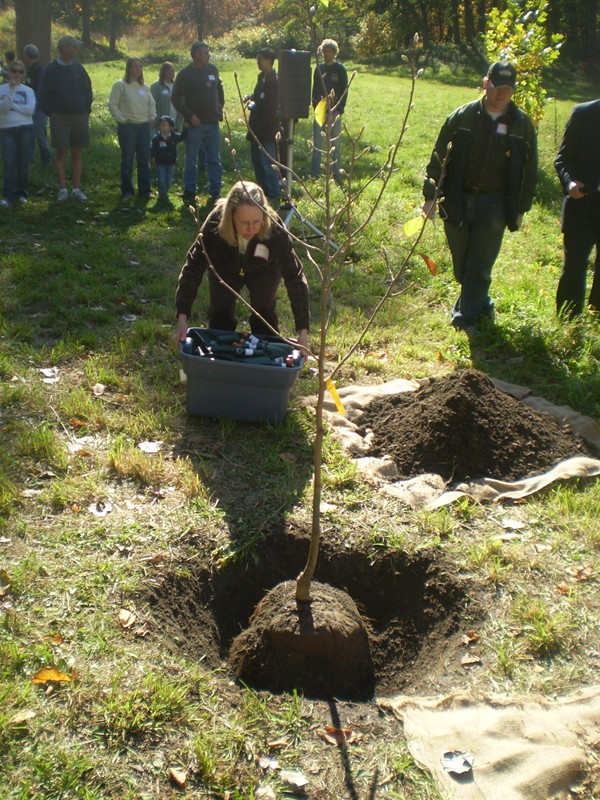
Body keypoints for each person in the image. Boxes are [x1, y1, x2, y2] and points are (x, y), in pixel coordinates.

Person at [422, 61, 538, 332]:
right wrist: (430, 196)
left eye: (509, 90)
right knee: (462, 265)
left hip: (494, 204)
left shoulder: (521, 124)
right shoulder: (463, 117)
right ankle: (482, 301)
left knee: (481, 264)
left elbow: (529, 170)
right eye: (498, 88)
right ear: (486, 83)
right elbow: (438, 159)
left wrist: (522, 207)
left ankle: (464, 318)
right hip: (456, 199)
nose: (502, 95)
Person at [175, 181, 310, 353]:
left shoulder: (275, 230)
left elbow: (295, 278)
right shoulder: (215, 224)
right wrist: (182, 318)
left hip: (264, 268)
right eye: (244, 222)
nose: (251, 228)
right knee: (220, 310)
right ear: (230, 217)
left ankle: (265, 357)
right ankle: (220, 356)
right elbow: (193, 268)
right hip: (225, 265)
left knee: (264, 308)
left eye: (256, 222)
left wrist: (303, 332)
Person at [554, 99, 600, 317]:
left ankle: (597, 312)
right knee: (574, 264)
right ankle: (568, 320)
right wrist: (569, 183)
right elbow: (562, 159)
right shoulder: (583, 113)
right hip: (582, 203)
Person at [37, 35, 93, 201]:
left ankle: (76, 189)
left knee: (77, 153)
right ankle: (62, 189)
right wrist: (52, 113)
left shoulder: (79, 69)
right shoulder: (51, 70)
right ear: (66, 48)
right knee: (61, 153)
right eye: (74, 47)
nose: (77, 50)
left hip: (79, 116)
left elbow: (88, 90)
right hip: (59, 117)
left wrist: (85, 109)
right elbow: (42, 95)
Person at [172, 41, 224, 204]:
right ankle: (189, 190)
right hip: (195, 124)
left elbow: (219, 87)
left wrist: (220, 104)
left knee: (214, 158)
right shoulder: (185, 74)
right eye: (205, 53)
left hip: (212, 122)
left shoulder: (213, 69)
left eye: (209, 52)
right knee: (191, 158)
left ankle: (215, 190)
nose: (209, 55)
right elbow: (175, 98)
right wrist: (189, 115)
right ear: (196, 55)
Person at [108, 57, 156, 201]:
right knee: (127, 159)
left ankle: (145, 190)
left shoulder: (144, 87)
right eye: (135, 67)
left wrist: (152, 117)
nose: (137, 69)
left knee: (143, 159)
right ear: (128, 68)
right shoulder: (120, 85)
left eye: (140, 67)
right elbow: (113, 104)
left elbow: (151, 104)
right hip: (128, 127)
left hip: (143, 127)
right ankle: (127, 191)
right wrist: (122, 119)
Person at [244, 47, 281, 204]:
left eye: (260, 60)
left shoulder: (274, 81)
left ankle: (273, 191)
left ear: (268, 60)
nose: (258, 63)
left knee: (267, 162)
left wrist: (256, 105)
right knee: (257, 161)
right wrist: (251, 98)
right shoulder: (262, 78)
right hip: (255, 127)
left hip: (267, 129)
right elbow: (259, 96)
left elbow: (270, 107)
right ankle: (262, 191)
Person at [310, 39, 348, 184]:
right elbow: (314, 91)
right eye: (325, 51)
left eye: (330, 51)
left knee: (335, 145)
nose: (327, 54)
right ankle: (314, 175)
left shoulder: (340, 70)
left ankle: (336, 175)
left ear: (334, 52)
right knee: (317, 144)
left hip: (335, 111)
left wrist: (337, 111)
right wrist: (317, 106)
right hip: (320, 110)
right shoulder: (319, 69)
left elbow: (344, 91)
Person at [0, 59, 35, 207]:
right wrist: (12, 90)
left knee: (23, 163)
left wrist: (12, 106)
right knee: (9, 164)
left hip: (25, 128)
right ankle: (7, 195)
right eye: (14, 70)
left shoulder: (29, 91)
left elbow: (30, 110)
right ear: (8, 72)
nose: (17, 74)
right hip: (6, 129)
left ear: (23, 74)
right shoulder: (2, 89)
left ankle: (21, 192)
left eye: (20, 71)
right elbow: (3, 109)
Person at [22, 43, 52, 166]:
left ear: (27, 55)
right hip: (30, 107)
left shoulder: (39, 69)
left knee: (40, 135)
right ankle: (29, 160)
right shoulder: (30, 68)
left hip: (39, 108)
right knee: (29, 135)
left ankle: (47, 160)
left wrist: (38, 105)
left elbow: (41, 90)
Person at [151, 114, 185, 198]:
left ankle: (165, 190)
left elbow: (182, 137)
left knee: (169, 179)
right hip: (160, 162)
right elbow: (153, 149)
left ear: (170, 128)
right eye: (161, 125)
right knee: (161, 178)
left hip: (171, 162)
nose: (162, 127)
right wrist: (153, 157)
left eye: (164, 125)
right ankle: (162, 192)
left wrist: (185, 127)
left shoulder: (174, 136)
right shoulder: (156, 138)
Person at [150, 61, 182, 131]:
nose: (171, 73)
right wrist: (156, 119)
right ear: (163, 72)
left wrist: (180, 119)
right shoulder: (155, 86)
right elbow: (150, 104)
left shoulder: (177, 86)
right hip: (160, 125)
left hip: (175, 124)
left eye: (173, 71)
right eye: (168, 71)